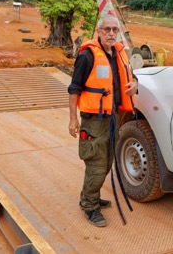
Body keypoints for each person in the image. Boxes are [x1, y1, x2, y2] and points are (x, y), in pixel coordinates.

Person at [68, 15, 138, 227]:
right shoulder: (88, 56)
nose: (111, 33)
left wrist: (135, 83)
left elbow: (131, 77)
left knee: (107, 161)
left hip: (113, 117)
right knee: (96, 165)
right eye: (106, 29)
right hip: (94, 120)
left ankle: (92, 195)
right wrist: (73, 119)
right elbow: (74, 89)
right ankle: (89, 206)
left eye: (114, 30)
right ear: (98, 31)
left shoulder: (118, 54)